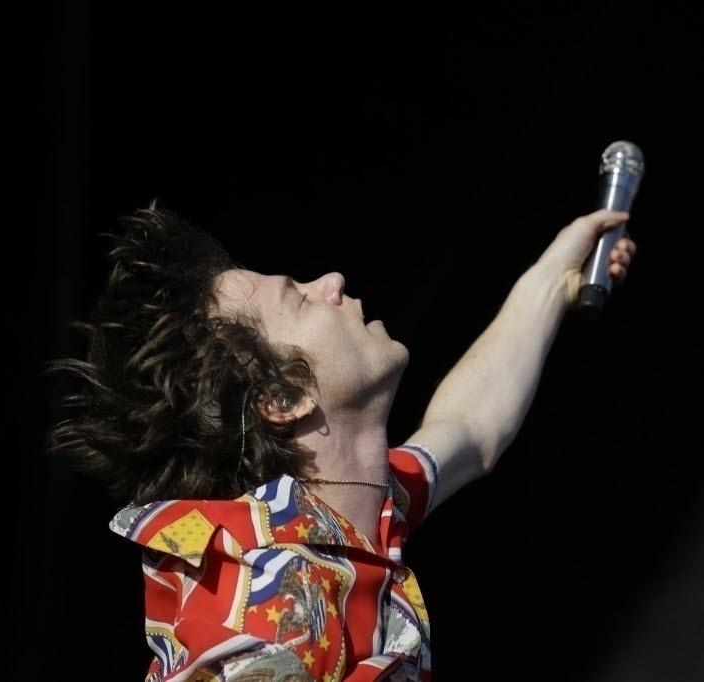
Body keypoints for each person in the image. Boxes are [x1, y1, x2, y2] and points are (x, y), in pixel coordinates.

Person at [47, 200, 636, 681]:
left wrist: (554, 278)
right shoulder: (268, 610)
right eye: (298, 298)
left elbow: (471, 430)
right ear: (285, 400)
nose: (331, 282)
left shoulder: (356, 516)